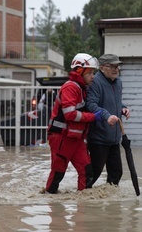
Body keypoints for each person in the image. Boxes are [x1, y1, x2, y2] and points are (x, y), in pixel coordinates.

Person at [44, 53, 104, 194]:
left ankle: (83, 207)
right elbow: (70, 114)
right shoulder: (70, 87)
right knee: (58, 172)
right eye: (90, 73)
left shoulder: (81, 88)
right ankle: (52, 206)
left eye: (93, 73)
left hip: (75, 138)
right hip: (62, 137)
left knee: (87, 171)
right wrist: (93, 117)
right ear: (79, 71)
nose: (93, 76)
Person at [86, 54, 130, 187]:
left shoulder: (118, 82)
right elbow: (91, 105)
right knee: (94, 174)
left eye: (117, 66)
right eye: (111, 66)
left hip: (114, 138)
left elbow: (115, 102)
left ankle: (112, 205)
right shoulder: (95, 82)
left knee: (116, 174)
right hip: (98, 138)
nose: (115, 69)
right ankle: (83, 201)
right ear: (101, 67)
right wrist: (106, 116)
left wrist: (123, 108)